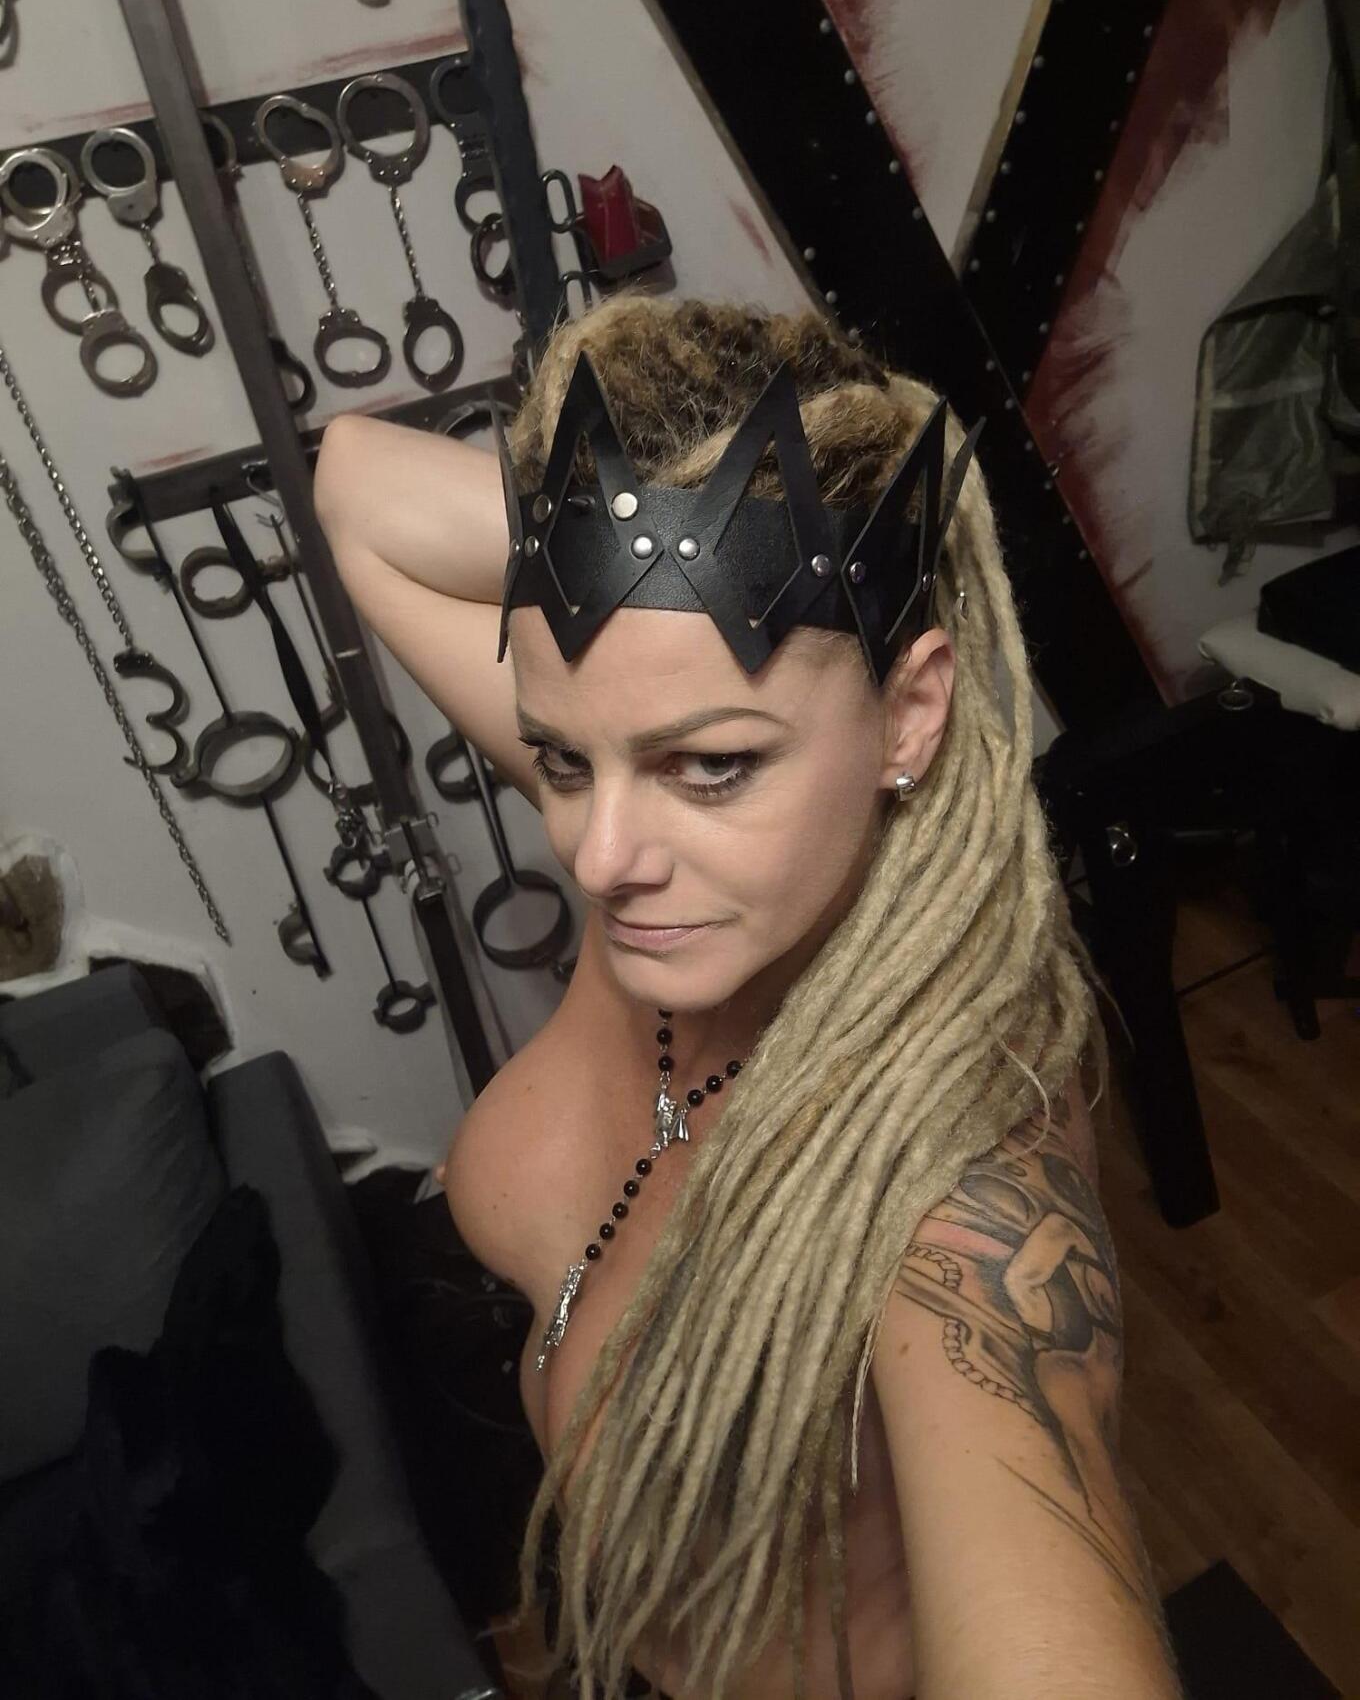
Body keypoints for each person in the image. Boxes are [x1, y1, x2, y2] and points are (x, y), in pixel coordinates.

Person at [314, 293, 1185, 1700]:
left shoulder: (971, 1172)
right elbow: (354, 483)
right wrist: (648, 530)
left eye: (711, 765)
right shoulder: (686, 854)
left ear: (910, 712)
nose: (600, 857)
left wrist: (852, 552)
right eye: (560, 757)